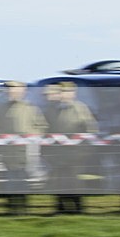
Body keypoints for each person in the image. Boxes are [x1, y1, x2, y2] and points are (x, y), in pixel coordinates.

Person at [0, 81, 47, 215]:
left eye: (14, 89)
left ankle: (23, 209)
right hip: (8, 153)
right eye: (9, 90)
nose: (10, 92)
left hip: (25, 153)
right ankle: (11, 209)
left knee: (22, 180)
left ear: (22, 91)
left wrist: (32, 138)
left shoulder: (31, 108)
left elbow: (42, 127)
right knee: (10, 181)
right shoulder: (1, 109)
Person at [43, 81, 98, 214]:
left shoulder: (81, 109)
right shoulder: (51, 110)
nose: (64, 95)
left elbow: (91, 130)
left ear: (73, 93)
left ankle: (78, 208)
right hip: (57, 155)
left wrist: (84, 151)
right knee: (58, 182)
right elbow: (45, 130)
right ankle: (60, 208)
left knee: (74, 182)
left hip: (75, 155)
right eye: (61, 92)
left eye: (67, 92)